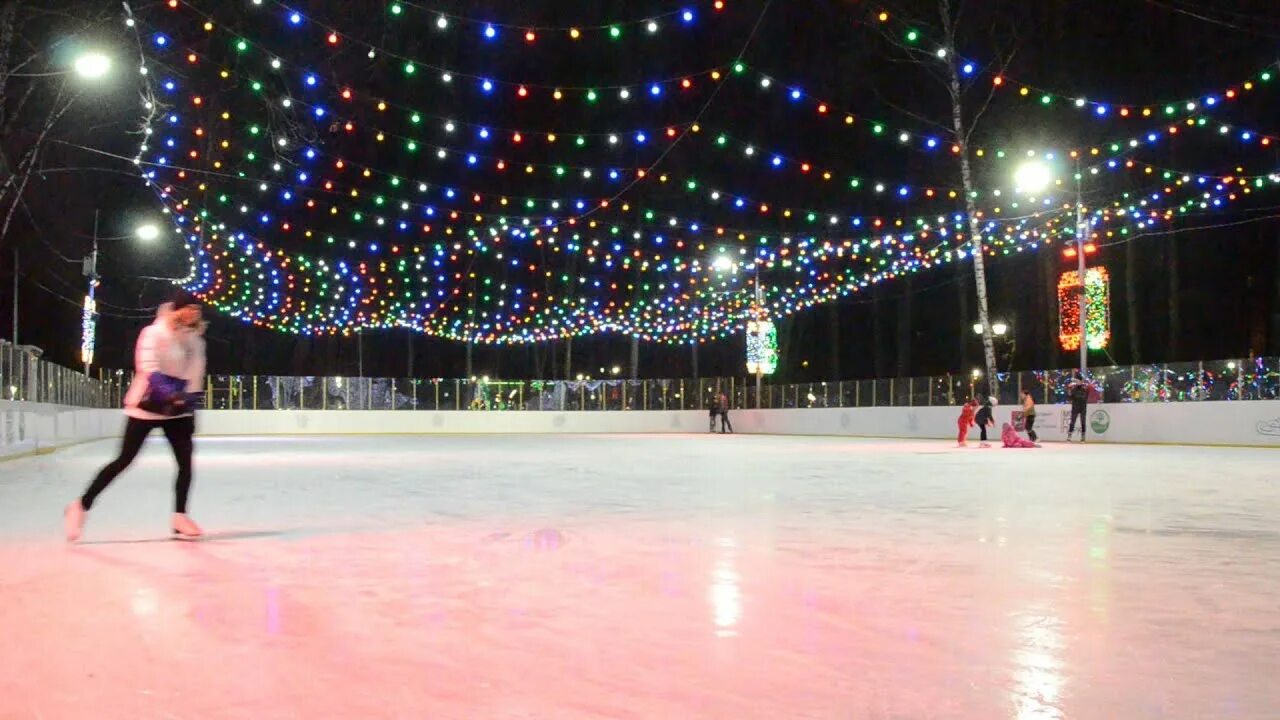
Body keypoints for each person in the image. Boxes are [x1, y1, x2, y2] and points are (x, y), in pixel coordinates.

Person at [64, 290, 208, 542]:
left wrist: (190, 404)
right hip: (147, 404)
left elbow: (196, 374)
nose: (194, 314)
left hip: (177, 411)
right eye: (189, 309)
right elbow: (148, 367)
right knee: (124, 460)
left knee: (185, 463)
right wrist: (170, 392)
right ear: (177, 310)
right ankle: (80, 506)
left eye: (197, 310)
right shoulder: (154, 333)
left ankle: (180, 517)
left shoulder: (196, 340)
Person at [1067, 372, 1090, 442]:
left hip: (1082, 407)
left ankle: (1083, 436)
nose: (1076, 382)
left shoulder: (1085, 388)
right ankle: (1069, 436)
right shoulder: (1074, 389)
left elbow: (1084, 397)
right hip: (1075, 407)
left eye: (1077, 381)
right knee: (1072, 422)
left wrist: (1075, 397)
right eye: (1076, 381)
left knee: (1083, 421)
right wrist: (1069, 391)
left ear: (1081, 381)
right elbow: (1070, 398)